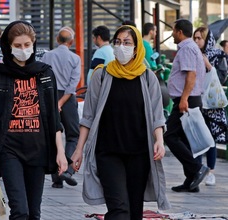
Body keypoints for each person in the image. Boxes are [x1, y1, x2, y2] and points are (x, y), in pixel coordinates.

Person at [71, 25, 170, 220]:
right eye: (117, 42)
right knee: (119, 210)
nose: (121, 47)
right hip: (108, 153)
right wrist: (78, 149)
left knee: (134, 211)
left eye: (127, 43)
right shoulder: (102, 75)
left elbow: (157, 115)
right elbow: (88, 116)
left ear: (136, 48)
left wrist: (159, 140)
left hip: (139, 154)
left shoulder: (148, 77)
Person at [0, 20, 68, 220]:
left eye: (27, 45)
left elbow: (54, 117)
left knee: (33, 213)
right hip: (8, 148)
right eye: (18, 46)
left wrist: (61, 152)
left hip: (37, 149)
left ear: (34, 44)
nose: (23, 50)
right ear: (8, 47)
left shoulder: (45, 73)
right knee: (19, 211)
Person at [164, 19, 209, 193]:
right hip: (188, 98)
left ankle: (197, 168)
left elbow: (191, 75)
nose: (172, 34)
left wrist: (184, 99)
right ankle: (191, 181)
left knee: (169, 135)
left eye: (173, 31)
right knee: (184, 139)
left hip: (186, 99)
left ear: (180, 32)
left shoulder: (187, 48)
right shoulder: (190, 47)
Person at [41, 26, 81, 188]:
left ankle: (56, 179)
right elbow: (72, 86)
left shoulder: (46, 56)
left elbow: (41, 79)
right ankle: (68, 170)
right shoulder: (75, 59)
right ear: (71, 42)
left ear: (58, 40)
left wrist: (53, 102)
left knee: (52, 136)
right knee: (73, 136)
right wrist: (61, 102)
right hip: (67, 99)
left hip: (49, 97)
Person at [193, 26, 227, 186]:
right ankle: (198, 170)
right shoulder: (192, 55)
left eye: (199, 38)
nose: (196, 41)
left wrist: (208, 66)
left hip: (212, 105)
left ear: (207, 39)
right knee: (198, 137)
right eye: (195, 38)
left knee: (211, 138)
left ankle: (211, 171)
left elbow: (222, 77)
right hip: (197, 101)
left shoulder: (218, 55)